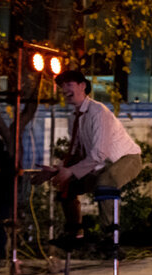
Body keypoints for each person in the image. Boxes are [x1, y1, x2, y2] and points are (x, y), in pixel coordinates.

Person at [46, 69, 143, 248]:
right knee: (69, 186)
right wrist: (58, 169)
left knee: (105, 181)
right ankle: (74, 232)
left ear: (83, 86)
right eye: (61, 86)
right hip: (99, 165)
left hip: (126, 159)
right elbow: (75, 151)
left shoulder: (98, 111)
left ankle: (109, 235)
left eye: (69, 84)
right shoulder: (73, 117)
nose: (64, 89)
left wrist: (71, 171)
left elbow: (99, 153)